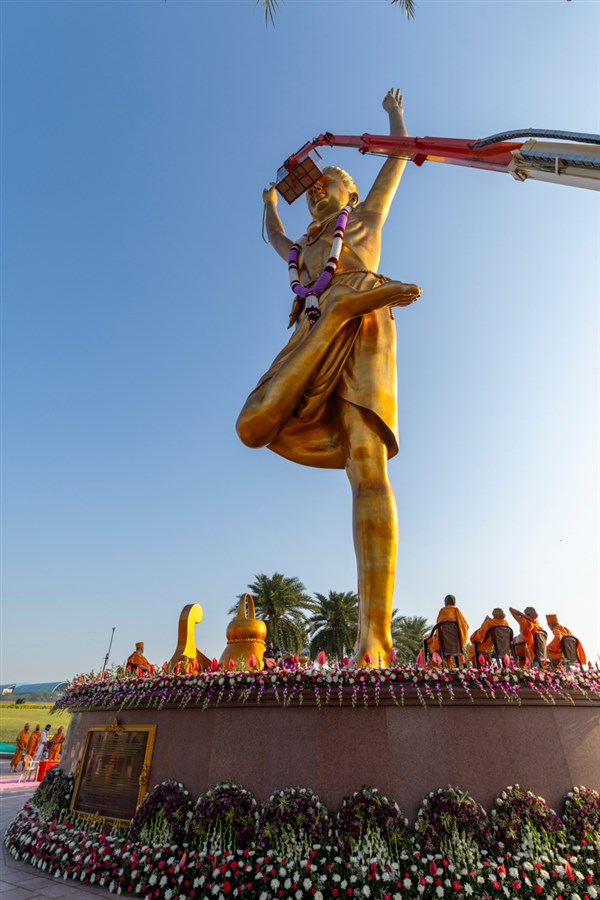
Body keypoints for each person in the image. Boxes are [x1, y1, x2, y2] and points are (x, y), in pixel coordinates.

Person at [237, 89, 421, 665]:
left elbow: (396, 160)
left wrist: (392, 119)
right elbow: (274, 236)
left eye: (329, 183)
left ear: (351, 193)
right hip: (314, 326)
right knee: (252, 424)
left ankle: (375, 640)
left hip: (364, 317)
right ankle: (332, 311)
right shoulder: (304, 247)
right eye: (313, 189)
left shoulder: (363, 219)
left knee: (367, 462)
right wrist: (270, 200)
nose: (318, 190)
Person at [425, 595, 469, 662]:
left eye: (444, 601)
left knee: (426, 642)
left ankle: (433, 667)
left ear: (446, 602)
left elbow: (438, 625)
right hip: (456, 644)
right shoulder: (458, 612)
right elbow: (466, 626)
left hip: (443, 642)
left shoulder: (443, 611)